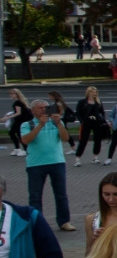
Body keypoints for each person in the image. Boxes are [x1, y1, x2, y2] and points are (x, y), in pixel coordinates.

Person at [21, 99, 74, 231]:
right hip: (35, 164)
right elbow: (26, 140)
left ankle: (64, 221)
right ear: (33, 111)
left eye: (46, 108)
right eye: (40, 108)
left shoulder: (56, 123)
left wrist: (59, 123)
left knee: (61, 194)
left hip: (57, 162)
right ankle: (37, 222)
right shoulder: (27, 124)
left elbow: (65, 138)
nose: (44, 110)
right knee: (35, 195)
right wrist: (40, 125)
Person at [74, 85, 109, 167]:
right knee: (83, 140)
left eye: (95, 92)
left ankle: (95, 157)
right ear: (88, 92)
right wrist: (82, 121)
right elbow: (78, 113)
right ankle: (77, 158)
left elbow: (102, 112)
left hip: (97, 123)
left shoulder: (98, 102)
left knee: (97, 140)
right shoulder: (82, 102)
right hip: (86, 123)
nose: (94, 93)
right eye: (92, 92)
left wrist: (102, 120)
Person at [6, 88, 27, 155]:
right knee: (13, 133)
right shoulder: (19, 102)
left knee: (17, 134)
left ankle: (25, 149)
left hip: (21, 120)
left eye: (12, 93)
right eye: (10, 93)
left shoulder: (17, 102)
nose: (11, 95)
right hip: (19, 120)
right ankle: (17, 149)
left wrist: (7, 117)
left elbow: (18, 113)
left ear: (17, 94)